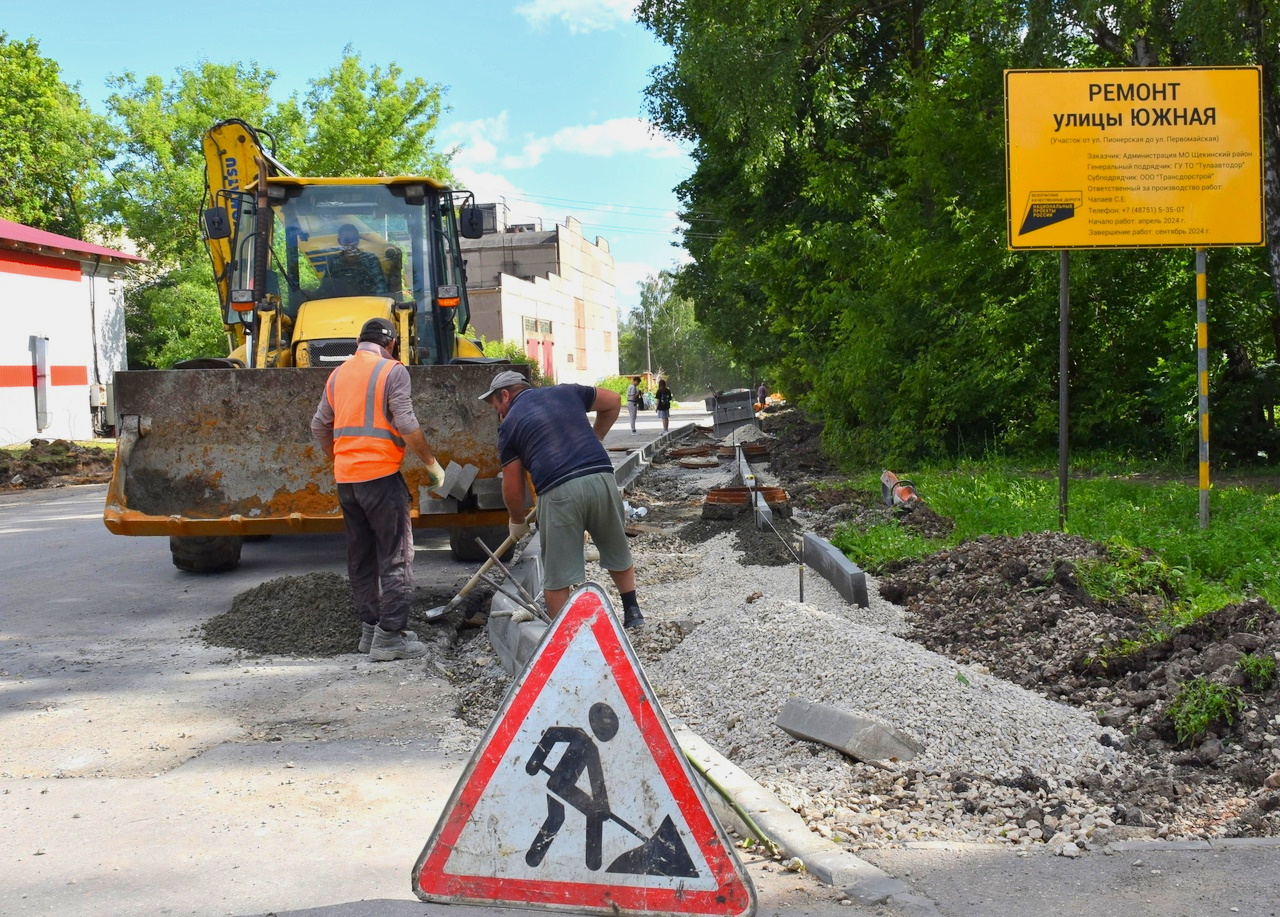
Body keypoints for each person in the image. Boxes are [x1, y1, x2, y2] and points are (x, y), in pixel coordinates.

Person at [311, 317, 446, 660]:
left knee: (362, 556)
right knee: (397, 555)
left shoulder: (338, 374)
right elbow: (405, 421)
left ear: (359, 342)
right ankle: (389, 638)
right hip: (381, 478)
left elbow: (319, 425)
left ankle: (370, 630)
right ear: (391, 344)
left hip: (347, 481)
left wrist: (341, 459)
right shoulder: (392, 370)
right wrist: (431, 463)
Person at [479, 369, 643, 627]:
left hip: (558, 493)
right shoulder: (566, 392)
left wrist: (516, 520)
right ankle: (633, 612)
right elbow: (612, 401)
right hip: (602, 479)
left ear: (505, 394)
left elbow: (512, 485)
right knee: (616, 548)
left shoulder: (509, 426)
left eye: (496, 406)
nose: (498, 413)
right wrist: (596, 437)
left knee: (557, 574)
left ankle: (564, 635)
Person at [323, 223, 389, 297]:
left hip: (368, 304)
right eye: (346, 240)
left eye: (353, 239)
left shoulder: (371, 260)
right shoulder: (333, 261)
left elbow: (381, 289)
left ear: (358, 240)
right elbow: (326, 290)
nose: (350, 243)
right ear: (339, 241)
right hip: (339, 305)